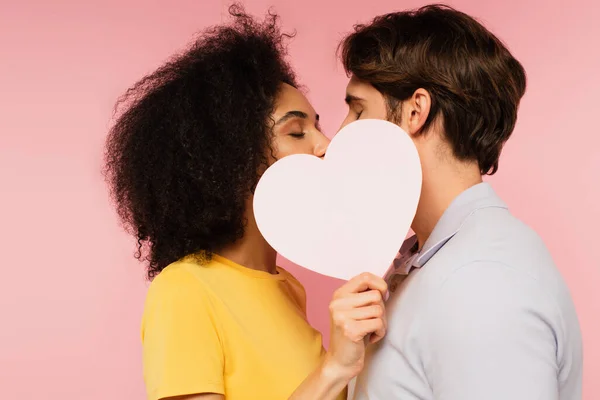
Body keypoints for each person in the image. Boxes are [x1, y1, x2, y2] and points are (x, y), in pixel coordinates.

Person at [103, 6, 387, 400]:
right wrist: (334, 368)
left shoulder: (288, 288)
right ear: (233, 158)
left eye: (317, 126)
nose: (325, 145)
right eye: (296, 132)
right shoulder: (185, 290)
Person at [338, 4, 583, 400]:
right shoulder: (434, 260)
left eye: (358, 111)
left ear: (415, 111)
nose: (340, 135)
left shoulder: (483, 280)